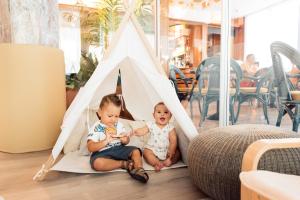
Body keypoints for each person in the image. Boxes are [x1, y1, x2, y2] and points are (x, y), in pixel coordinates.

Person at [87, 93, 149, 183]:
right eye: (110, 116)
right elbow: (90, 147)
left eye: (116, 116)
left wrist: (125, 140)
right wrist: (105, 141)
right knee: (97, 164)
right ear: (100, 112)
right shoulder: (96, 127)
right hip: (103, 152)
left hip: (119, 149)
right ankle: (124, 164)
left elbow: (125, 142)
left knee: (136, 151)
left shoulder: (119, 125)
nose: (113, 119)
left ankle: (139, 169)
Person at [132, 102, 181, 172]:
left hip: (167, 150)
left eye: (166, 112)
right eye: (159, 112)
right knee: (146, 153)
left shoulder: (170, 127)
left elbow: (173, 139)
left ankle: (170, 161)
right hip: (152, 149)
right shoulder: (151, 124)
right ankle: (156, 163)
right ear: (154, 115)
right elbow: (143, 130)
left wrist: (172, 149)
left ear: (170, 116)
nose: (162, 114)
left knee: (177, 153)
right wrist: (137, 131)